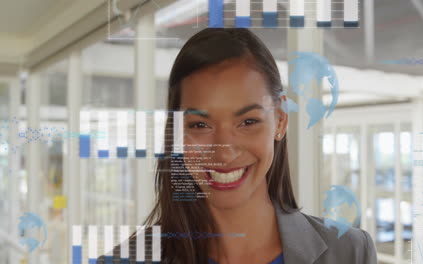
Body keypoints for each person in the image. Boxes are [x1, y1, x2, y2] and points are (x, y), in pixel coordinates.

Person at [99, 28, 377, 264]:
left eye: (247, 122)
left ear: (280, 121)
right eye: (199, 125)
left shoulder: (350, 252)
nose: (223, 152)